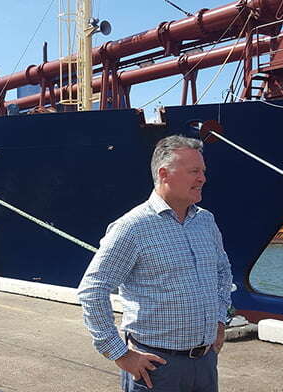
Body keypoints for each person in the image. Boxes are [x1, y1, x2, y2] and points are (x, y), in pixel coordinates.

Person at [78, 135, 232, 392]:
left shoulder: (206, 221)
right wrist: (119, 353)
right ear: (164, 174)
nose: (202, 179)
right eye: (194, 171)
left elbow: (223, 273)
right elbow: (92, 290)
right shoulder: (133, 227)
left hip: (205, 363)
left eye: (203, 171)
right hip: (157, 368)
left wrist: (219, 320)